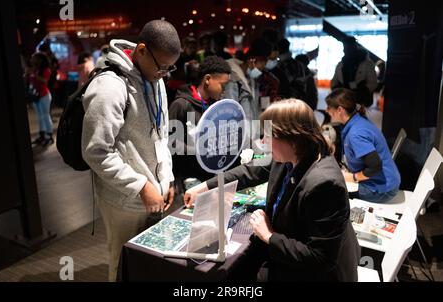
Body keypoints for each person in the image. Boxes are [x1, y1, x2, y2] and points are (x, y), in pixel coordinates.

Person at [184, 99, 360, 281]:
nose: (263, 142)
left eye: (268, 135)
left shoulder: (324, 184)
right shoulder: (294, 155)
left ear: (293, 138)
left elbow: (320, 258)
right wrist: (205, 187)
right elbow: (250, 170)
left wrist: (269, 235)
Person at [81, 20, 181, 281]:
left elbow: (161, 135)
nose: (165, 73)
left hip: (154, 192)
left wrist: (166, 177)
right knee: (124, 263)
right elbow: (96, 151)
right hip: (123, 200)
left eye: (171, 68)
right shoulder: (109, 86)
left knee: (150, 260)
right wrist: (141, 185)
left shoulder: (156, 78)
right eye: (162, 66)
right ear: (142, 50)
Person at [325, 88, 400, 203]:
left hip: (381, 189)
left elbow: (375, 167)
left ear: (340, 109)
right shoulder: (357, 121)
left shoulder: (355, 134)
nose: (326, 110)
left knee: (329, 190)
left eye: (329, 107)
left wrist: (353, 177)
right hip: (386, 182)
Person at [169, 55, 231, 185]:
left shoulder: (217, 106)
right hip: (187, 179)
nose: (225, 90)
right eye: (223, 85)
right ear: (207, 79)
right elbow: (170, 144)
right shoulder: (181, 105)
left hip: (211, 176)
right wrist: (197, 150)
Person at [331, 37, 377, 107]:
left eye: (348, 47)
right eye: (344, 47)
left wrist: (362, 91)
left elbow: (373, 83)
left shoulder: (367, 63)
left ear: (354, 47)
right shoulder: (341, 64)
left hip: (361, 102)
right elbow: (334, 81)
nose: (345, 50)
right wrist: (337, 91)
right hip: (344, 101)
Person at [27, 52, 54, 146]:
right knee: (39, 116)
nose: (31, 59)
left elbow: (45, 81)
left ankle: (49, 135)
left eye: (34, 57)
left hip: (44, 95)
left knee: (46, 116)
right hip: (35, 95)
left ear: (39, 59)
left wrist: (33, 74)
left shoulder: (46, 69)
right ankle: (42, 135)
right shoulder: (35, 68)